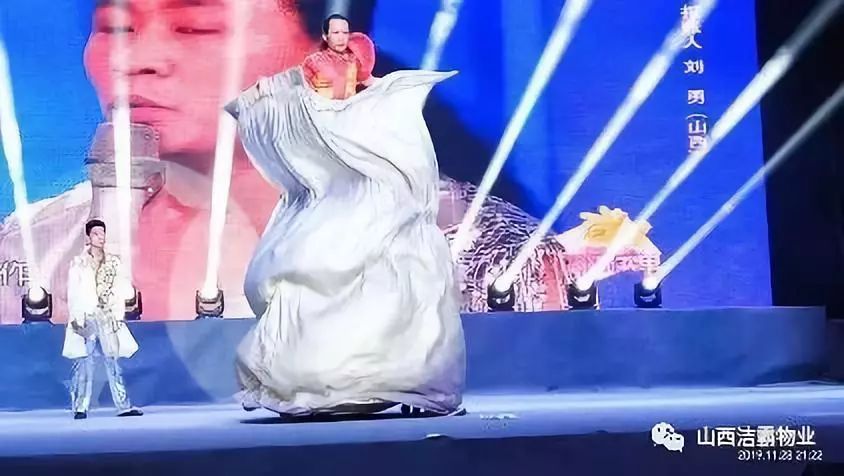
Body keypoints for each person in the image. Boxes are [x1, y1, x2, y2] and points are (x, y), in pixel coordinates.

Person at [0, 0, 568, 324]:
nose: (135, 59)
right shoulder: (28, 250)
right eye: (115, 28)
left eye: (196, 27)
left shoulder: (483, 258)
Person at [228, 15, 465, 416]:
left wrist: (384, 93)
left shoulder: (358, 56)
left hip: (356, 133)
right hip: (332, 133)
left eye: (343, 32)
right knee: (323, 260)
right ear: (325, 36)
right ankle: (322, 379)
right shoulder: (314, 65)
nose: (339, 37)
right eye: (334, 33)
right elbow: (304, 97)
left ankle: (402, 377)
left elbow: (368, 83)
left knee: (396, 265)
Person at [63, 219, 143, 419]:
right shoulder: (78, 263)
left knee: (113, 361)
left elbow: (122, 288)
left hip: (108, 316)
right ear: (88, 237)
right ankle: (81, 406)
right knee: (85, 362)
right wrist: (75, 318)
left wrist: (118, 313)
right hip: (87, 316)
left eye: (103, 233)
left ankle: (123, 405)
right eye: (96, 234)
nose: (101, 237)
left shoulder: (113, 262)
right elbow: (73, 292)